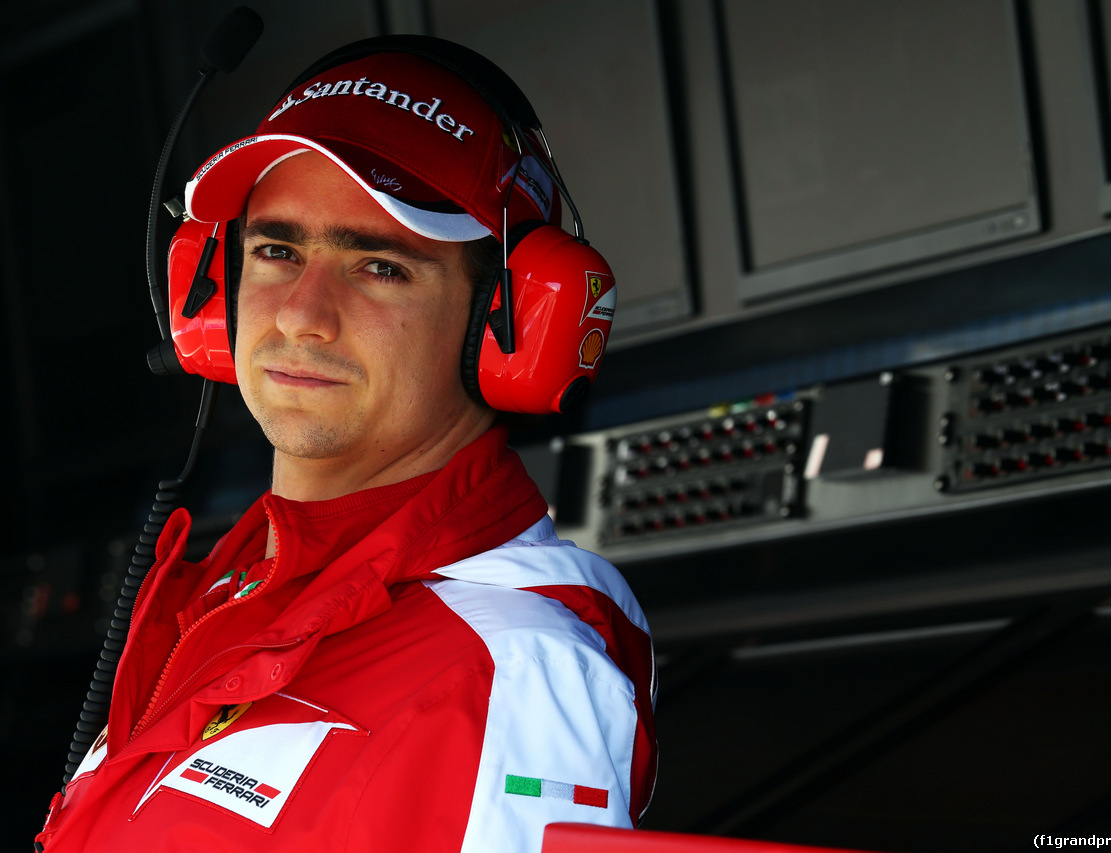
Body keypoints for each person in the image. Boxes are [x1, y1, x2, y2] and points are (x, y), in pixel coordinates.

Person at [36, 34, 655, 852]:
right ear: (208, 301)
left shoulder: (513, 671)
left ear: (509, 328)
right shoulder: (228, 592)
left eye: (380, 267)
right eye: (277, 251)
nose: (300, 313)